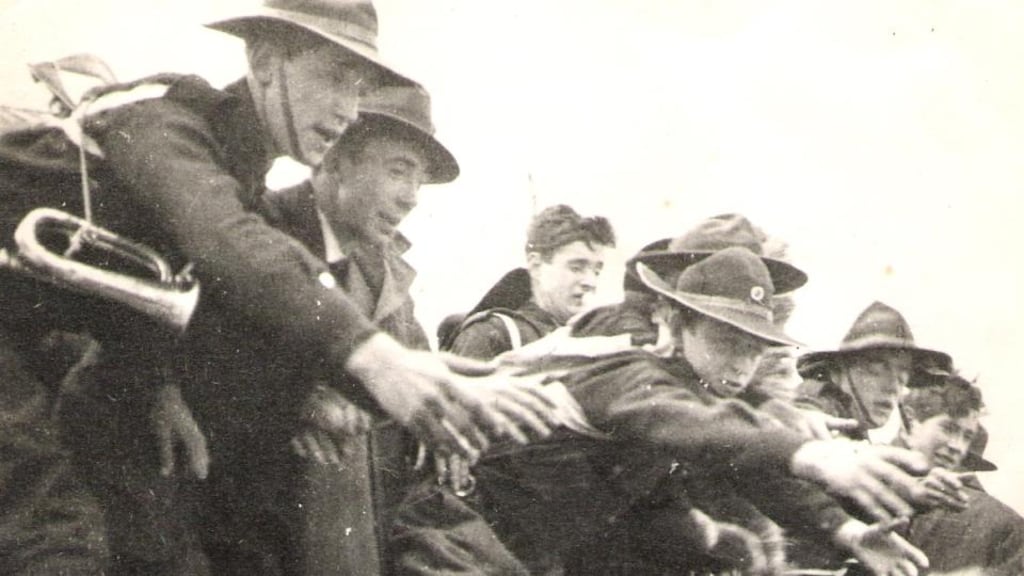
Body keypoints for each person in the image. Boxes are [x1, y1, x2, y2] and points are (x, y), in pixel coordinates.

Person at [14, 1, 558, 573]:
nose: (348, 112)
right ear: (266, 62)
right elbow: (223, 239)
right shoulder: (163, 117)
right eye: (333, 79)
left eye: (358, 91)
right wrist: (375, 359)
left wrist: (152, 383)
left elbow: (187, 305)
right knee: (55, 543)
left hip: (55, 363)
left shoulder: (238, 172)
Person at [392, 248, 936, 576]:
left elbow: (745, 462)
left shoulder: (700, 395)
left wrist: (844, 532)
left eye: (755, 345)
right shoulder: (631, 373)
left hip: (517, 550)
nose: (744, 361)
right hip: (449, 530)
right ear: (677, 326)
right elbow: (699, 429)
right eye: (727, 338)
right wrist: (812, 453)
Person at [259, 82, 462, 573]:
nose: (412, 198)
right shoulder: (262, 231)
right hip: (257, 524)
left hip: (356, 524)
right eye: (399, 170)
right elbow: (201, 353)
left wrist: (444, 426)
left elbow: (415, 361)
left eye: (420, 180)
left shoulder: (385, 270)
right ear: (335, 159)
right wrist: (295, 401)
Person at [444, 204, 616, 358]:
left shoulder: (593, 341)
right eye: (576, 268)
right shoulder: (491, 334)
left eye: (596, 271)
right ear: (536, 265)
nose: (590, 282)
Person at [898, 374, 1024, 575]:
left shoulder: (994, 519)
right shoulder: (864, 480)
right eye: (948, 428)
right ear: (912, 422)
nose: (958, 446)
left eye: (966, 436)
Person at [795, 301, 953, 444]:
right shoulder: (819, 400)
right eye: (878, 368)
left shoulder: (852, 425)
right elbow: (805, 410)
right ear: (838, 370)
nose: (892, 388)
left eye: (901, 376)